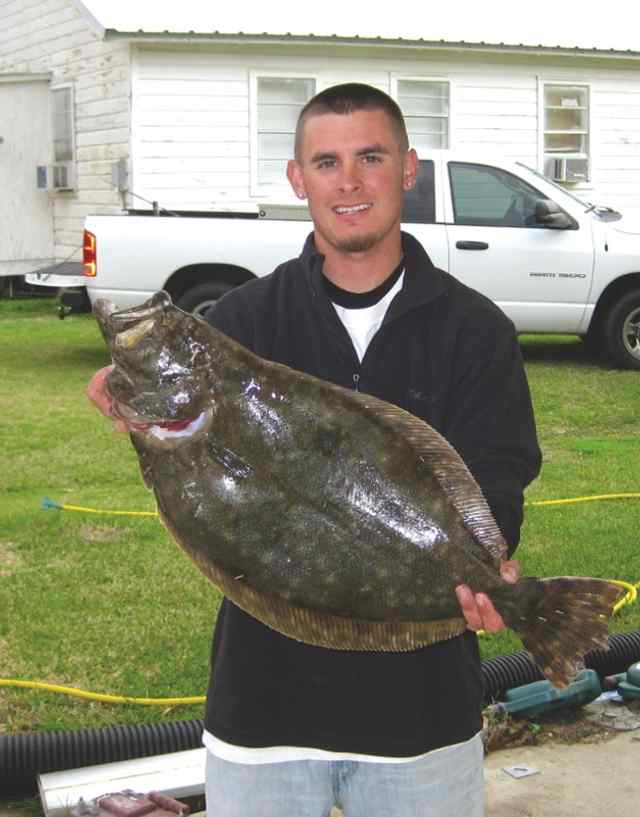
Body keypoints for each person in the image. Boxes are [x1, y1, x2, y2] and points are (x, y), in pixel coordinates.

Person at [88, 83, 541, 817]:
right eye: (326, 162)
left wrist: (491, 567)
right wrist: (125, 389)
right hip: (263, 713)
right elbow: (194, 467)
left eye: (371, 156)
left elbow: (497, 475)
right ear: (297, 179)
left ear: (408, 169)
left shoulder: (475, 329)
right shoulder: (238, 323)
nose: (350, 181)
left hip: (423, 720)